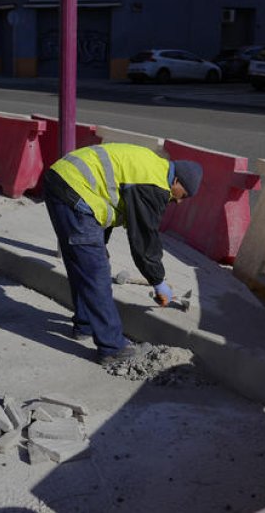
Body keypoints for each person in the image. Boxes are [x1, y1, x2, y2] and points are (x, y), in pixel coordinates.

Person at [43, 143, 203, 366]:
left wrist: (101, 245)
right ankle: (113, 348)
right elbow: (144, 239)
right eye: (182, 195)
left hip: (64, 181)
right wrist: (158, 282)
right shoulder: (154, 186)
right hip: (75, 190)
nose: (178, 201)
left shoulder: (151, 165)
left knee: (83, 263)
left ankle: (85, 324)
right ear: (176, 181)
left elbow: (107, 195)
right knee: (97, 272)